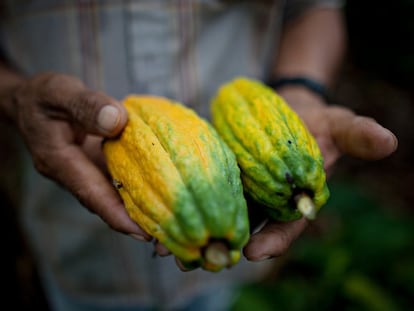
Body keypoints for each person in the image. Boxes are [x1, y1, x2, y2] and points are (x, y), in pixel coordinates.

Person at [0, 0, 398, 310]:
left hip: (232, 236)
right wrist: (15, 96)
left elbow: (314, 7)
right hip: (77, 248)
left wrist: (300, 89)